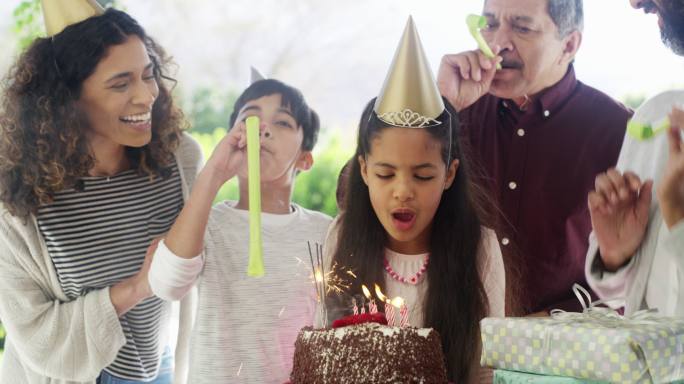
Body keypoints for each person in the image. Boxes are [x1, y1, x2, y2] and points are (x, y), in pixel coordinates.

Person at [0, 3, 200, 383]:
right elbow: (36, 336)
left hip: (157, 368)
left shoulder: (180, 160)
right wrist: (140, 286)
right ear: (68, 99)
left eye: (148, 74)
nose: (146, 96)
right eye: (120, 83)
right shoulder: (15, 198)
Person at [325, 18, 505, 383]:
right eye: (385, 174)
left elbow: (487, 369)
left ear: (449, 174)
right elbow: (324, 349)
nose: (402, 191)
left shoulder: (479, 247)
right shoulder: (342, 237)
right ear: (362, 169)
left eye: (423, 176)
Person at [437, 0, 632, 315]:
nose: (497, 44)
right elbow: (353, 194)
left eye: (522, 27)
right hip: (456, 346)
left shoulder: (620, 133)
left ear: (568, 45)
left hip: (566, 355)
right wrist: (440, 109)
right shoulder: (455, 109)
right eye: (488, 24)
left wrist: (551, 325)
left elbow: (647, 283)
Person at [148, 79, 331, 383]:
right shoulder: (207, 223)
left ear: (305, 158)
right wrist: (214, 173)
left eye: (283, 122)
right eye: (249, 118)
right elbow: (167, 285)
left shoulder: (324, 232)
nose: (262, 128)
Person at [585, 0, 684, 316]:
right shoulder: (656, 118)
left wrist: (678, 222)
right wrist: (617, 256)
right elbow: (632, 298)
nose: (635, 2)